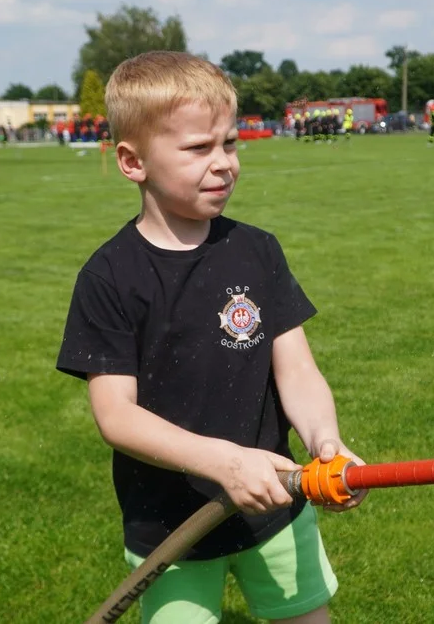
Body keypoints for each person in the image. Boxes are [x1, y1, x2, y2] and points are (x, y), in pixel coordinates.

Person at [55, 51, 364, 624]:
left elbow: (295, 369)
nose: (223, 164)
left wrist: (326, 442)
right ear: (132, 160)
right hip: (171, 527)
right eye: (199, 148)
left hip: (277, 504)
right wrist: (222, 461)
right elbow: (116, 417)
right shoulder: (110, 276)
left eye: (229, 143)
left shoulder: (257, 249)